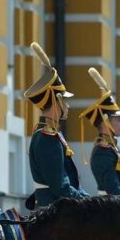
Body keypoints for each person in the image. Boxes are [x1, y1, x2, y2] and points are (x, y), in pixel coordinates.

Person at [24, 42, 87, 210]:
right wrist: (87, 201)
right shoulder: (47, 138)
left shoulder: (50, 134)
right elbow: (60, 186)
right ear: (57, 101)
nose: (68, 106)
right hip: (55, 212)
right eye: (64, 100)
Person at [80, 68, 120, 195]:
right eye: (118, 120)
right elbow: (112, 188)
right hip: (109, 209)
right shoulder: (102, 151)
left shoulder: (112, 148)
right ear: (106, 122)